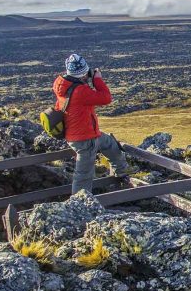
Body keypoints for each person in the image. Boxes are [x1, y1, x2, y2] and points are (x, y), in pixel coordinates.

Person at [53, 53, 133, 194]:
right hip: (84, 140)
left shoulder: (63, 85)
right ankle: (79, 205)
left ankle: (121, 169)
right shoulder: (80, 91)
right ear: (84, 73)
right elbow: (106, 98)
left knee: (108, 142)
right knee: (84, 175)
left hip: (82, 134)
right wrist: (97, 80)